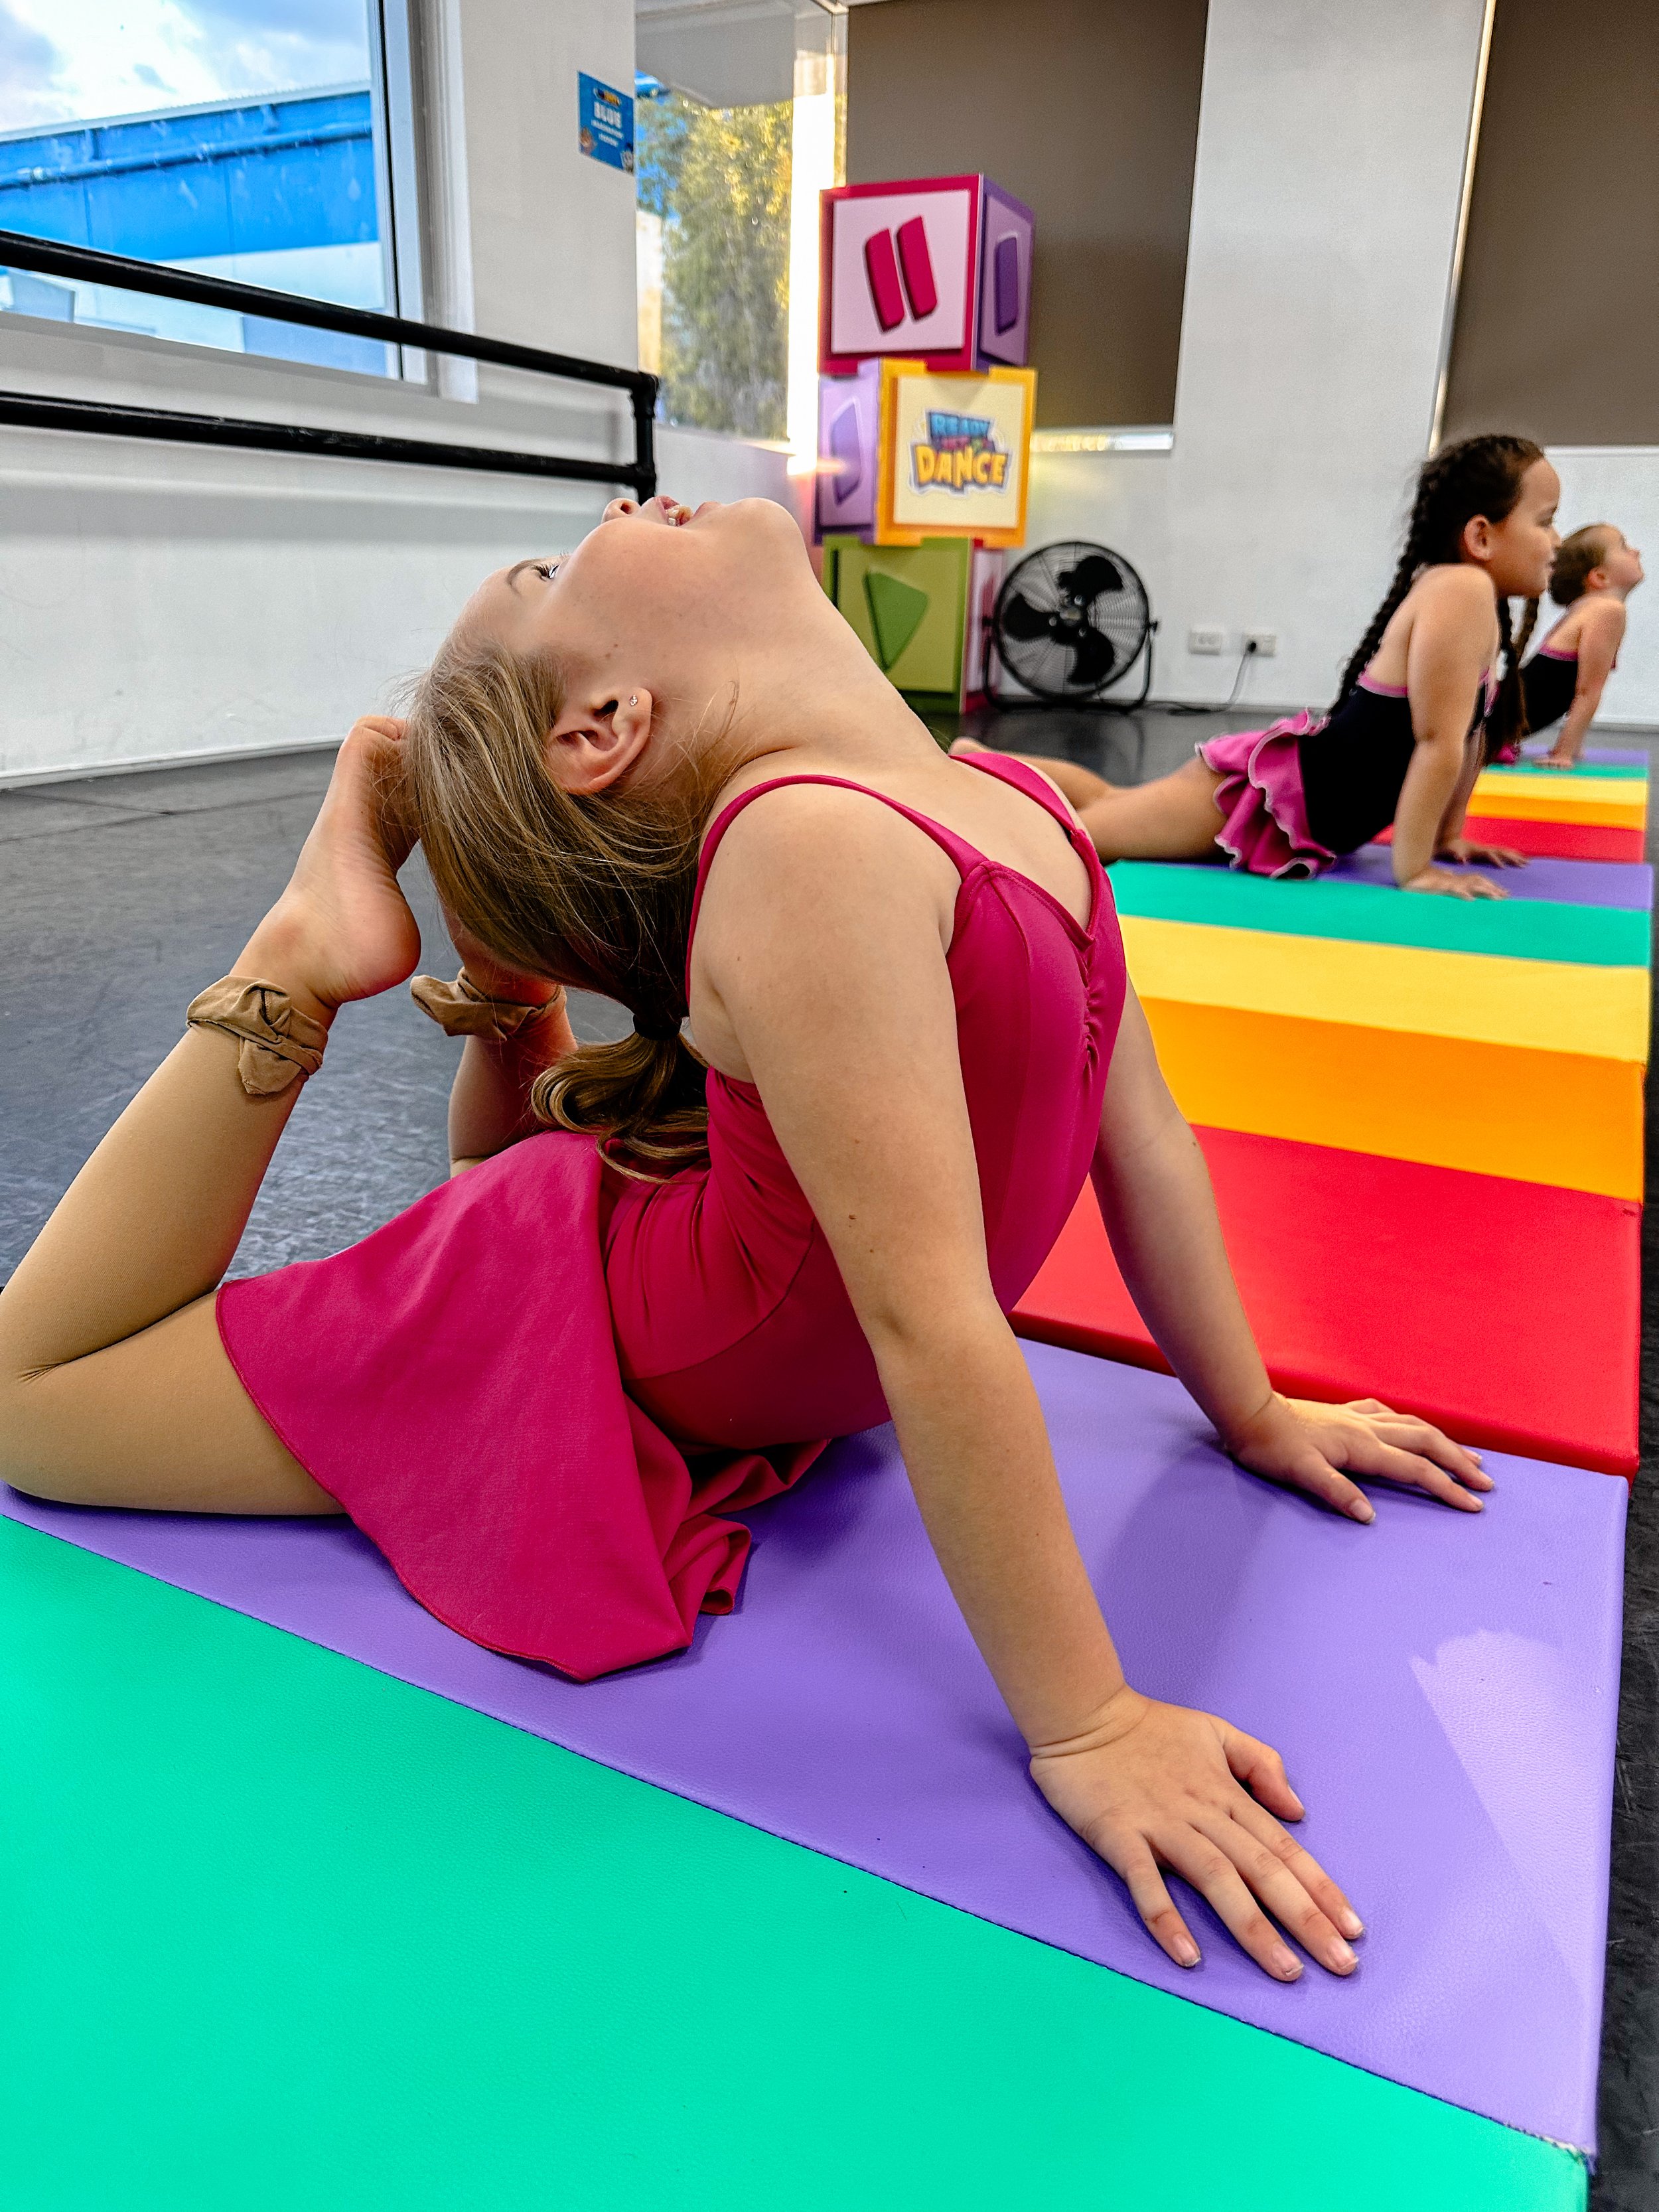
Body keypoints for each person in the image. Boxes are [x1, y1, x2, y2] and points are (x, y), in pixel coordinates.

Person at [0, 492, 1492, 1986]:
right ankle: (301, 949)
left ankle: (500, 989)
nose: (618, 506)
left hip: (689, 1306)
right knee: (28, 1401)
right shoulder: (806, 848)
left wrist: (1247, 1405)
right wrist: (1087, 1719)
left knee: (478, 1194)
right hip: (566, 1306)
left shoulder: (1011, 802)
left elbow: (1142, 1137)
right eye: (552, 568)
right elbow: (924, 1319)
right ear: (601, 721)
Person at [956, 433, 1558, 900]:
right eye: (1546, 520)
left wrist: (1449, 837)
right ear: (1481, 535)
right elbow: (1436, 744)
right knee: (1085, 833)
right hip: (1268, 795)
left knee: (1115, 803)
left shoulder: (1475, 601)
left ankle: (981, 762)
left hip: (1302, 800)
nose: (1556, 542)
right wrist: (1418, 867)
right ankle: (974, 777)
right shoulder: (1462, 591)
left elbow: (1467, 739)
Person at [1519, 523, 1643, 768]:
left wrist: (1572, 747)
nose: (1636, 552)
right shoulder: (1607, 610)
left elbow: (1562, 687)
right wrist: (1563, 753)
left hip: (1495, 721)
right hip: (1491, 725)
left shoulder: (1586, 607)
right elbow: (1587, 691)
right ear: (1599, 577)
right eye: (1624, 547)